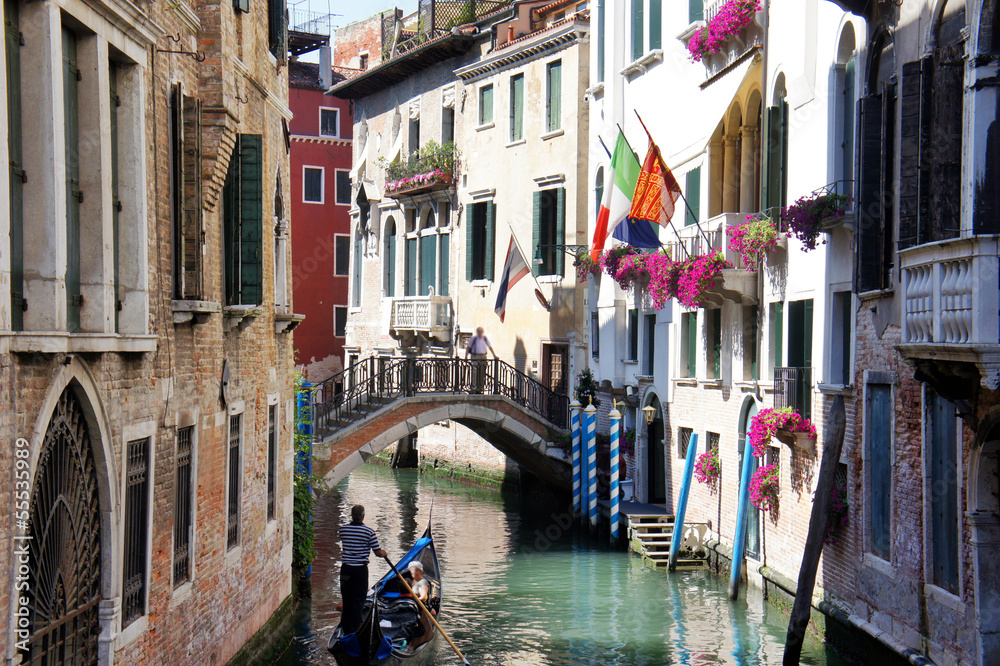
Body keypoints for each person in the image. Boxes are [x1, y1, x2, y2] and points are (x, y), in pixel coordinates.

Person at [338, 505, 388, 634]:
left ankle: (346, 628)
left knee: (347, 598)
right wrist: (384, 553)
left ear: (352, 515)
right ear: (363, 516)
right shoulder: (369, 532)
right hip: (359, 571)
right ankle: (355, 630)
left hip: (346, 570)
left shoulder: (343, 530)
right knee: (358, 600)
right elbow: (378, 552)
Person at [405, 561, 435, 647]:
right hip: (410, 606)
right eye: (411, 570)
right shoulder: (410, 580)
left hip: (420, 608)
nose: (414, 572)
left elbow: (424, 597)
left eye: (416, 570)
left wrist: (414, 599)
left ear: (421, 571)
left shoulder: (422, 582)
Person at [465, 327, 497, 393]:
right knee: (474, 372)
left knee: (482, 373)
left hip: (483, 357)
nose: (480, 333)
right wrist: (466, 356)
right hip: (475, 356)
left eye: (481, 331)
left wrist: (494, 355)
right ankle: (474, 388)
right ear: (477, 332)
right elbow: (468, 347)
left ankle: (480, 389)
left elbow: (490, 346)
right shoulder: (473, 338)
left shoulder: (485, 338)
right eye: (479, 331)